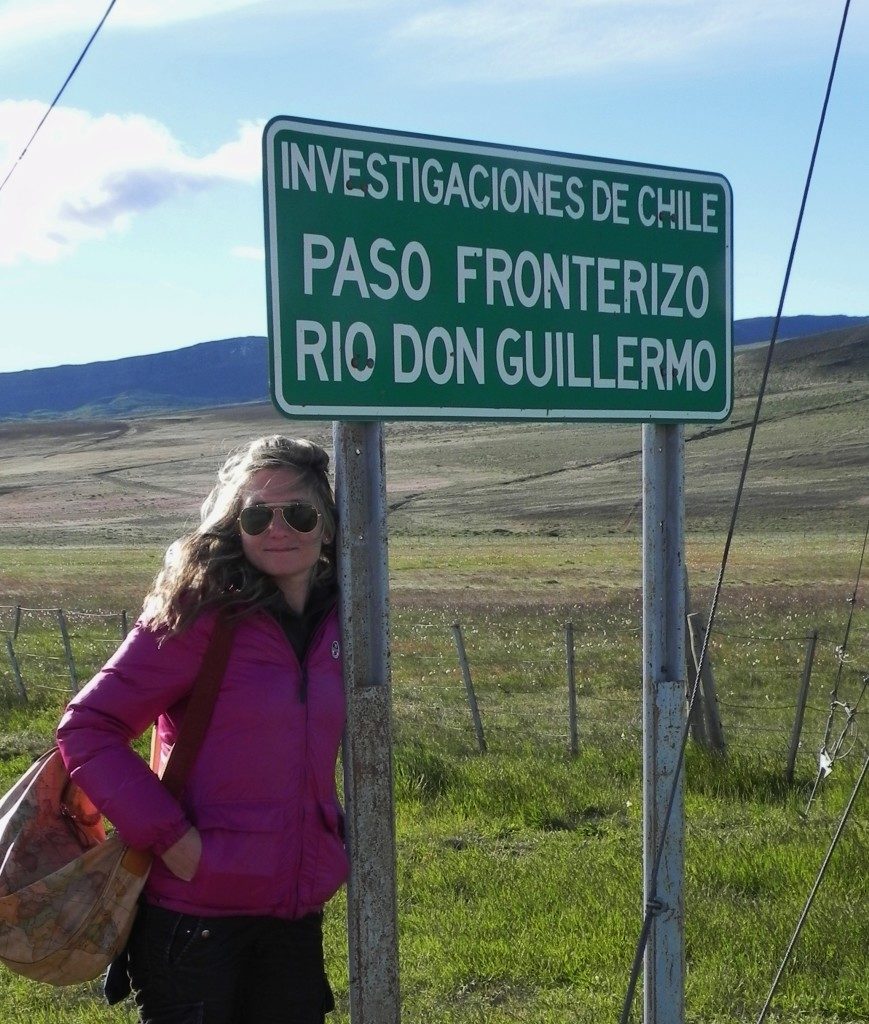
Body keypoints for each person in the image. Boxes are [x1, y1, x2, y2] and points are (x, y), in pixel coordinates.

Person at [56, 435, 347, 1024]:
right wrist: (173, 841)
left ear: (328, 525)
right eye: (257, 514)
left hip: (293, 914)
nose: (278, 528)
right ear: (233, 524)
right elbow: (88, 727)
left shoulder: (344, 621)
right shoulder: (199, 613)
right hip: (195, 921)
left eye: (299, 512)